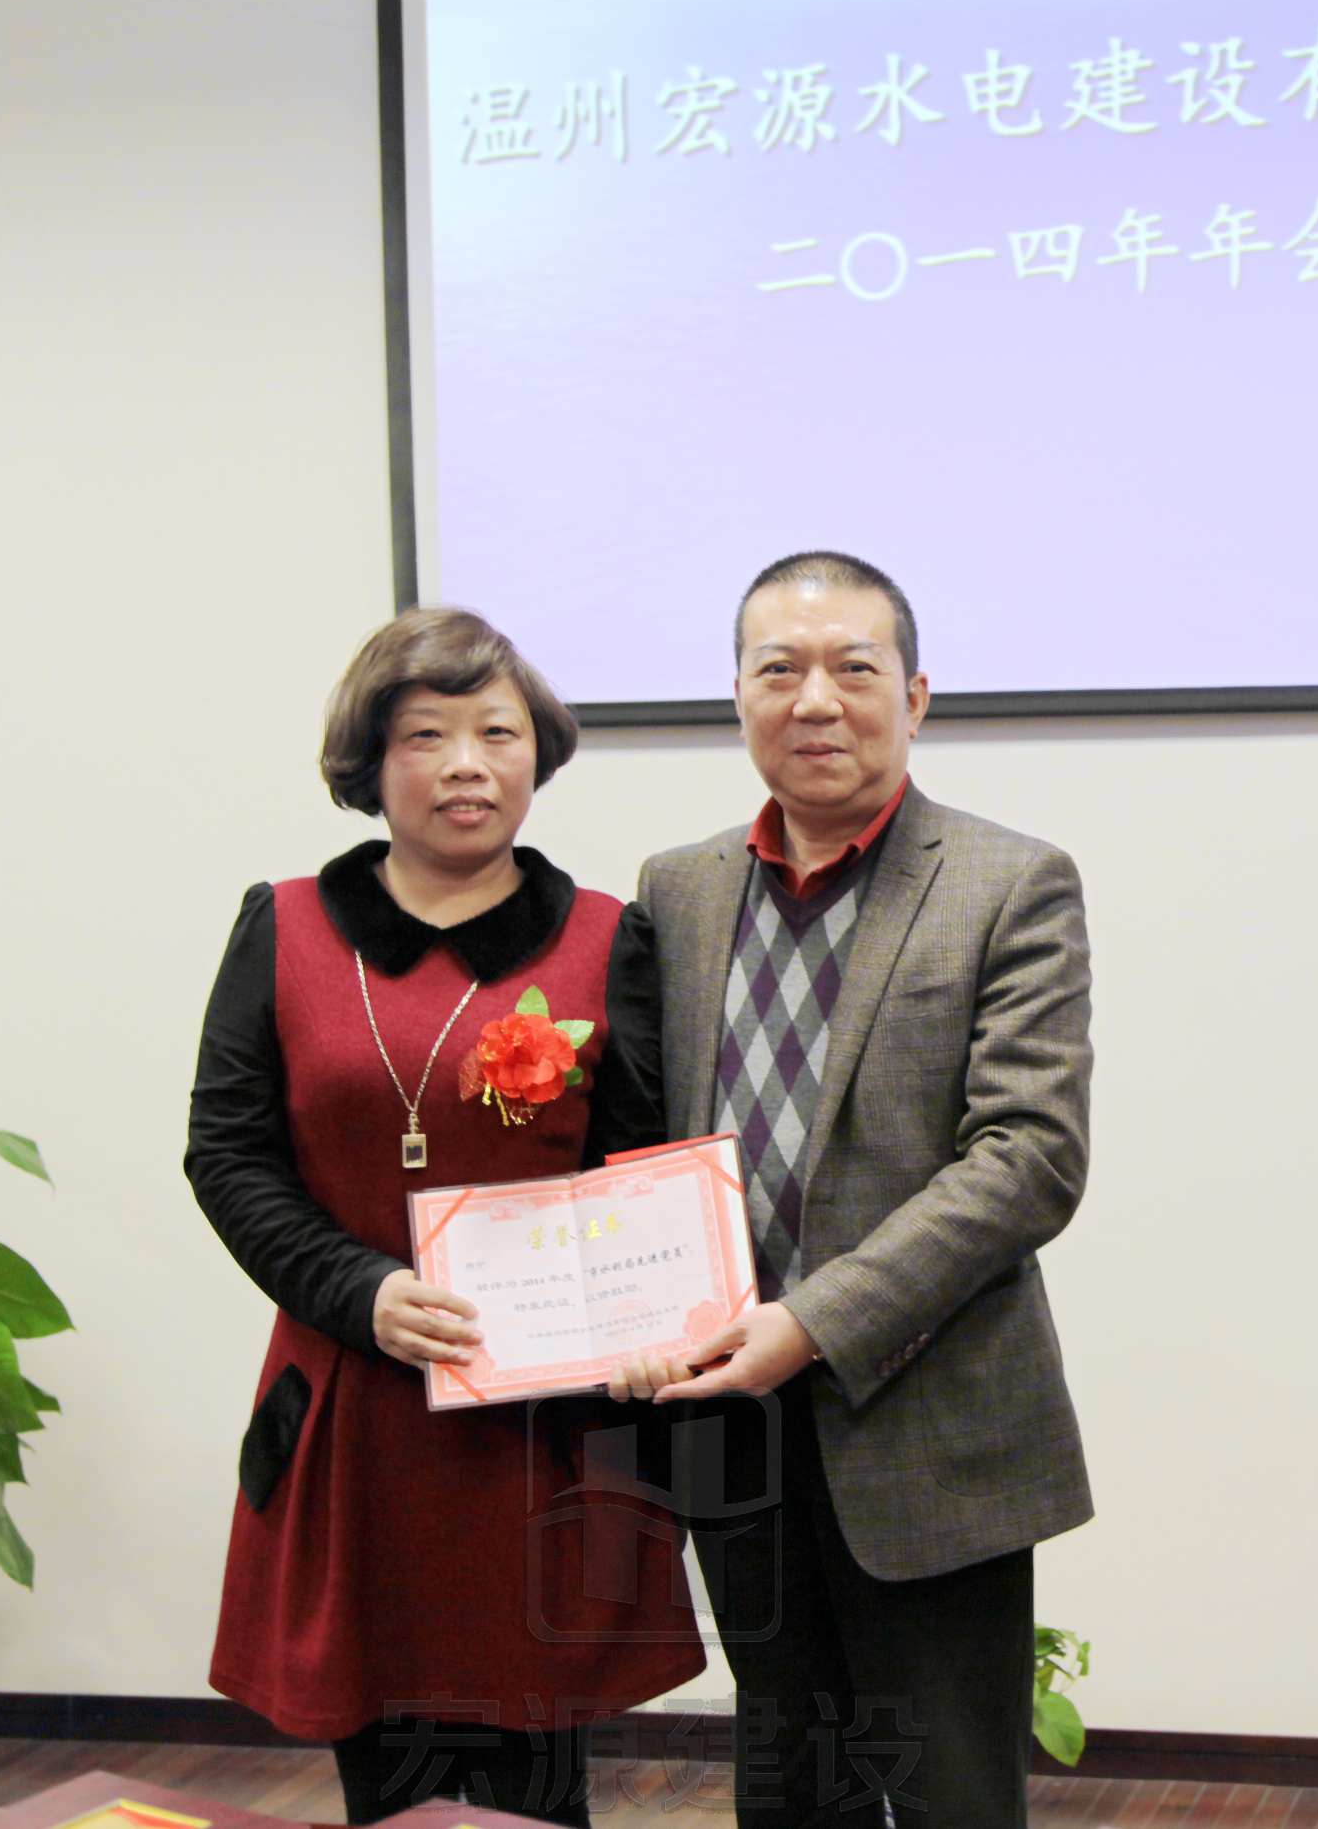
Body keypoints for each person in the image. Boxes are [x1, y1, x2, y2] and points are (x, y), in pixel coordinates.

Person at [598, 551, 1096, 1828]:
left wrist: (811, 1324)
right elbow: (648, 1138)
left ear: (915, 697)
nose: (814, 700)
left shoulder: (1009, 880)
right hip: (736, 1433)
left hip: (931, 1430)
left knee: (951, 1799)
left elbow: (1029, 1158)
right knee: (790, 1786)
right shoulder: (677, 887)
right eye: (779, 669)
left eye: (853, 668)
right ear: (738, 696)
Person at [184, 606, 704, 1827]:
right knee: (387, 1779)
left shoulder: (609, 939)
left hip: (543, 1430)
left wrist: (648, 1320)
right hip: (354, 1414)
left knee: (537, 1787)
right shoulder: (284, 926)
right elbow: (228, 1153)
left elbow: (640, 1166)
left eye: (497, 733)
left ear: (538, 756)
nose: (466, 764)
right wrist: (357, 1289)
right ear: (371, 764)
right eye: (426, 735)